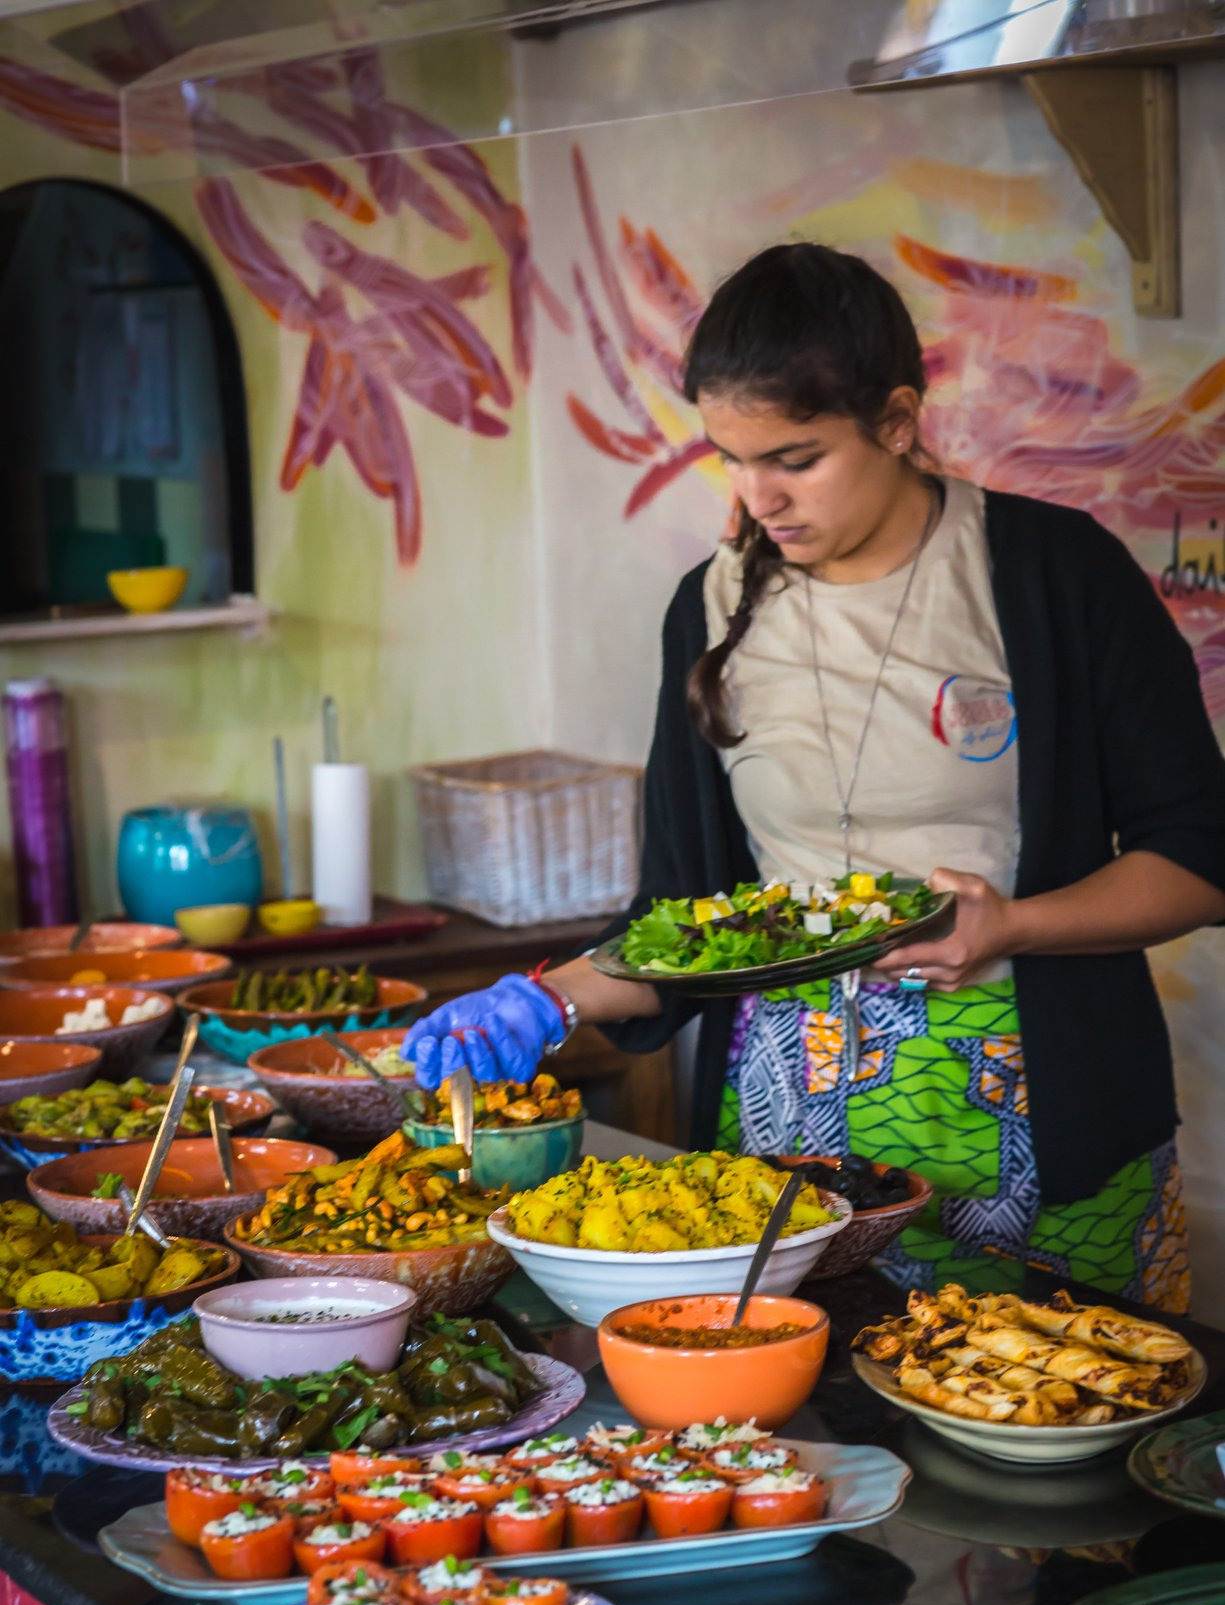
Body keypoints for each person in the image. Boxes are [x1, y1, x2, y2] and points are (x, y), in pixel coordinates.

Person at [403, 242, 1225, 1312]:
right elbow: (684, 924)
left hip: (1048, 1122)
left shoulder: (1050, 573)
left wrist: (1010, 925)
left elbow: (1199, 860)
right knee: (816, 1438)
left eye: (794, 457)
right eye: (731, 457)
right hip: (788, 1153)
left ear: (895, 419)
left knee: (1070, 1408)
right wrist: (543, 1001)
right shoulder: (708, 607)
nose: (759, 497)